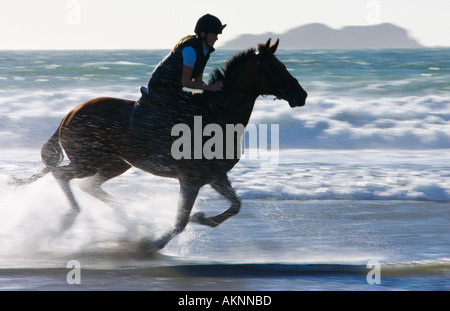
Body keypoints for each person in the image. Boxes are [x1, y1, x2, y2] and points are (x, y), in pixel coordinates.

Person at [131, 14, 226, 137]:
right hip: (160, 86)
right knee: (180, 111)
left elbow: (198, 81)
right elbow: (185, 82)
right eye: (214, 35)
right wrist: (210, 88)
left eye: (217, 35)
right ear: (203, 34)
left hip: (173, 89)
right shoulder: (190, 49)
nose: (216, 38)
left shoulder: (206, 51)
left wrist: (213, 91)